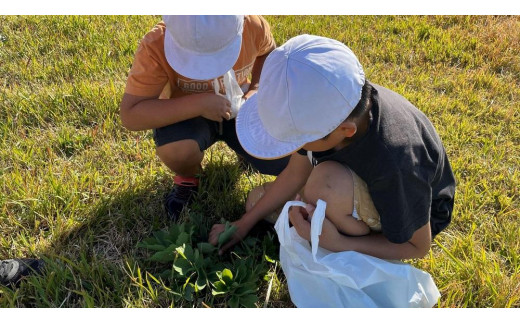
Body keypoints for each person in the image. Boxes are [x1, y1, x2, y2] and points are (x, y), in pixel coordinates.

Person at [209, 34, 456, 260]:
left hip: (410, 214)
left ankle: (343, 227)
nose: (295, 147)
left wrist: (339, 243)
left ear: (345, 130)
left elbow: (417, 247)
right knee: (256, 202)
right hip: (350, 182)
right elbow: (296, 173)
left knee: (324, 183)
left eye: (298, 139)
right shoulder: (329, 107)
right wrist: (244, 222)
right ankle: (333, 213)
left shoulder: (395, 160)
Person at [120, 15, 289, 220]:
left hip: (240, 103)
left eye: (220, 53)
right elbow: (131, 115)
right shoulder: (156, 44)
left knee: (284, 159)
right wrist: (199, 105)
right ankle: (189, 176)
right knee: (177, 149)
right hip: (185, 114)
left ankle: (247, 150)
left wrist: (256, 88)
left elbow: (268, 54)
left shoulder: (253, 25)